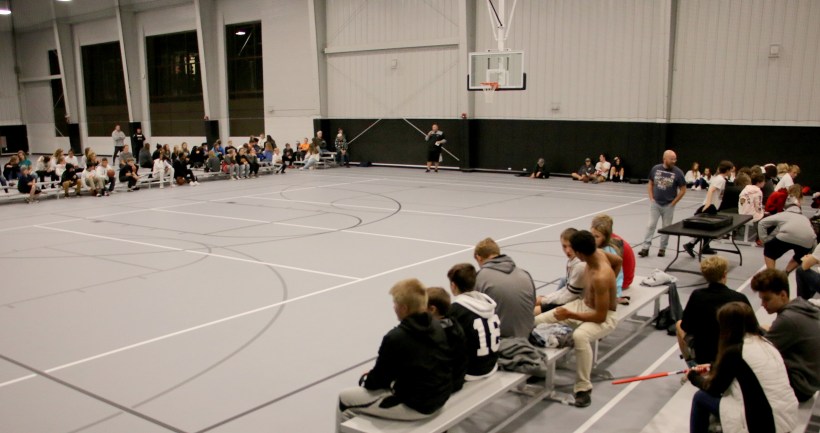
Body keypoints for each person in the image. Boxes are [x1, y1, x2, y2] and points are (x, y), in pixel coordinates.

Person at [336, 279, 454, 430]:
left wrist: (368, 379)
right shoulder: (436, 326)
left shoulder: (396, 337)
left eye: (395, 304)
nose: (394, 307)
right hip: (440, 396)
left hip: (419, 406)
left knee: (344, 399)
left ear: (404, 308)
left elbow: (376, 382)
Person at [534, 230, 620, 408]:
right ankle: (534, 365)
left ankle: (583, 388)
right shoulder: (599, 254)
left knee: (580, 336)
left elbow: (600, 316)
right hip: (583, 305)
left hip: (604, 317)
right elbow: (618, 261)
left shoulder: (601, 276)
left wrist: (570, 314)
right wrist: (613, 285)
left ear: (580, 253)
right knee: (537, 321)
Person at [686, 302, 797, 433]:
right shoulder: (765, 342)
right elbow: (748, 370)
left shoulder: (735, 351)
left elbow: (714, 388)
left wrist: (692, 376)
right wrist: (714, 366)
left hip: (766, 424)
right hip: (787, 417)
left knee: (700, 398)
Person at [750, 269, 820, 402]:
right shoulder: (801, 305)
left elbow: (760, 353)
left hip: (800, 387)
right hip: (811, 380)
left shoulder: (787, 319)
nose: (762, 305)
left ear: (782, 295)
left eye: (766, 299)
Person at [676, 256, 752, 366]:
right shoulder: (740, 298)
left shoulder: (697, 295)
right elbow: (752, 328)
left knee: (678, 324)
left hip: (704, 353)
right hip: (733, 352)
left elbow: (685, 326)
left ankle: (692, 364)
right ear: (724, 274)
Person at [473, 237, 536, 339]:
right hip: (526, 335)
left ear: (479, 258)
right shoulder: (524, 274)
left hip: (501, 339)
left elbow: (474, 314)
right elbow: (532, 305)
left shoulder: (480, 277)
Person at [447, 263, 501, 380]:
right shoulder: (486, 302)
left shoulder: (456, 310)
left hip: (471, 372)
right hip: (491, 364)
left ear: (453, 285)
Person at [638, 150, 687, 258]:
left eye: (675, 159)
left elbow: (683, 189)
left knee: (666, 227)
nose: (674, 161)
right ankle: (645, 248)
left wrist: (673, 202)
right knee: (650, 225)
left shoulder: (678, 172)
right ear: (665, 159)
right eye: (672, 159)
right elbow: (650, 183)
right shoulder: (655, 169)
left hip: (668, 205)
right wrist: (651, 198)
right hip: (656, 204)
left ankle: (662, 249)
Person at [758, 188, 816, 273]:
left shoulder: (782, 215)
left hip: (786, 236)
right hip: (807, 241)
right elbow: (813, 237)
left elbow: (762, 223)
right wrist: (810, 254)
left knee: (769, 251)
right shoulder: (805, 219)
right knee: (799, 257)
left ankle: (772, 274)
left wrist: (764, 241)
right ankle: (786, 273)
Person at [683, 160, 734, 257]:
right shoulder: (720, 180)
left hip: (712, 205)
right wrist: (708, 205)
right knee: (706, 228)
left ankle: (705, 247)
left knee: (707, 228)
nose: (731, 173)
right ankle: (690, 244)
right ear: (727, 170)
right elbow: (711, 190)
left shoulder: (720, 178)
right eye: (730, 170)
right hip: (710, 206)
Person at [425, 287, 468, 393]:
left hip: (444, 387)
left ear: (432, 309)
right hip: (457, 380)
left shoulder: (432, 335)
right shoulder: (455, 325)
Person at [534, 228, 586, 315]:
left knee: (533, 312)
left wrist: (544, 300)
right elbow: (566, 290)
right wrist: (544, 298)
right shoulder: (572, 261)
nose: (567, 251)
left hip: (579, 304)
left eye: (571, 246)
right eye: (564, 246)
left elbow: (568, 296)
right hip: (571, 297)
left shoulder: (580, 265)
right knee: (535, 303)